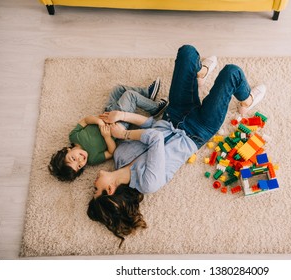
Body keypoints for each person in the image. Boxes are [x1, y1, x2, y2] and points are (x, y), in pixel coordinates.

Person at [87, 45, 266, 247]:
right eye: (96, 189)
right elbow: (154, 138)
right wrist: (125, 133)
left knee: (187, 52)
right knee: (232, 73)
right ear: (110, 190)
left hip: (174, 114)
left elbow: (151, 125)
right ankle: (247, 100)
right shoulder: (148, 183)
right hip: (199, 129)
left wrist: (122, 115)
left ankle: (199, 76)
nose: (94, 183)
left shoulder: (120, 156)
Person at [48, 78, 168, 182]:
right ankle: (155, 108)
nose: (80, 160)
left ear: (67, 150)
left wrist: (99, 122)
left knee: (118, 89)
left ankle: (146, 94)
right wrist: (106, 136)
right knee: (129, 96)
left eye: (73, 158)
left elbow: (85, 120)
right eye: (79, 165)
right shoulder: (92, 158)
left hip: (106, 114)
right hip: (117, 126)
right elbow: (111, 152)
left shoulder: (73, 136)